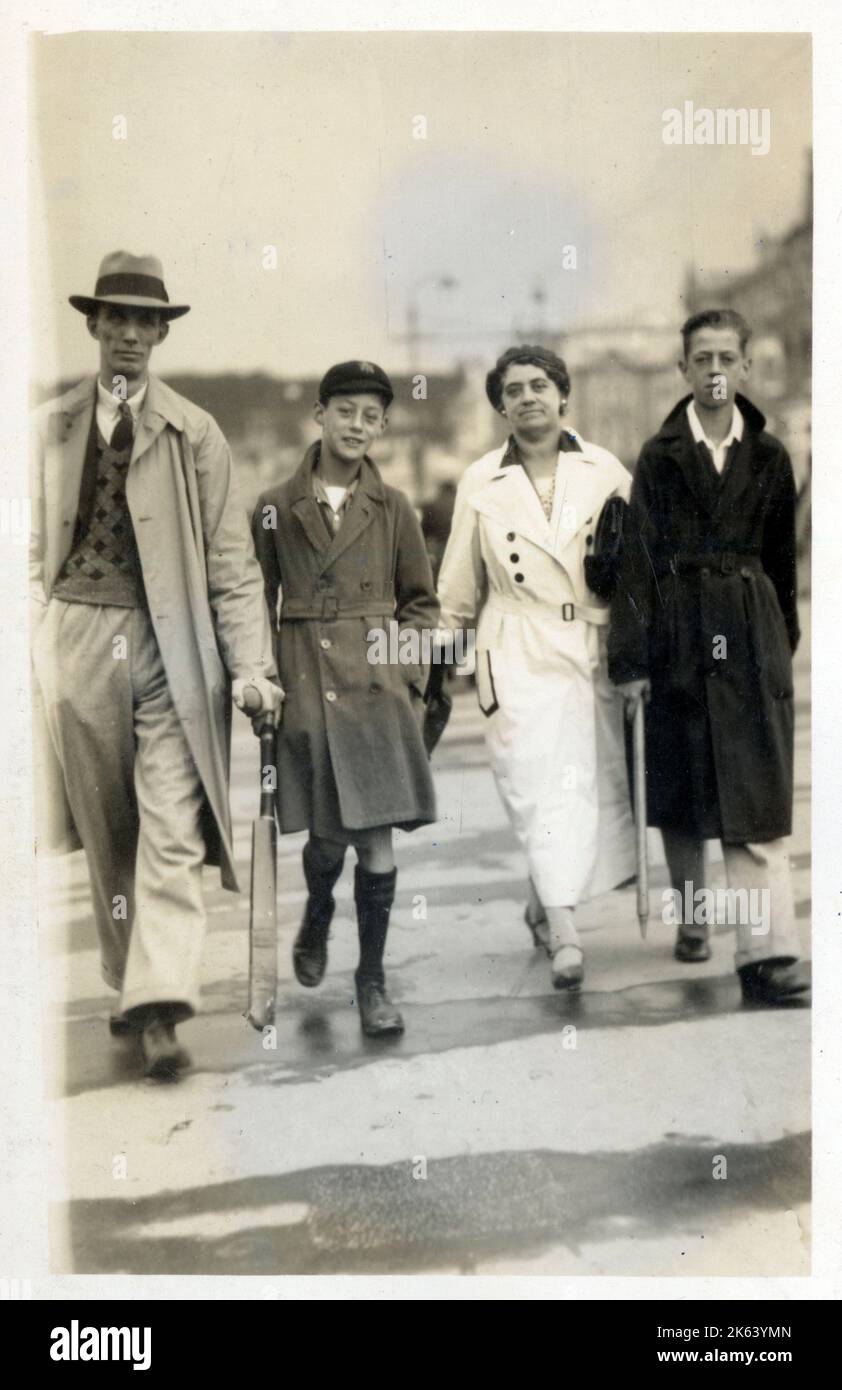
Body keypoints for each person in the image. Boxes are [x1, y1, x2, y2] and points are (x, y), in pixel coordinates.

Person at [30, 251, 282, 1079]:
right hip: (75, 636)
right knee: (110, 833)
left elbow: (231, 561)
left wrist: (253, 666)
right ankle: (127, 981)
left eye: (147, 321)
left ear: (162, 333)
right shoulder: (49, 427)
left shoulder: (194, 431)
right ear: (94, 326)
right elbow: (24, 550)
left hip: (174, 647)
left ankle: (163, 1005)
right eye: (118, 319)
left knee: (172, 827)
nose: (131, 334)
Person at [608, 309, 807, 1004]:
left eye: (728, 357)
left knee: (755, 795)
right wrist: (631, 662)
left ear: (746, 367)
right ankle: (694, 918)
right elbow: (637, 563)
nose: (716, 370)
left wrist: (781, 643)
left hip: (751, 633)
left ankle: (768, 953)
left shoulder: (772, 456)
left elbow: (783, 559)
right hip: (679, 634)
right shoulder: (659, 459)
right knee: (686, 789)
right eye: (703, 359)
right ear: (683, 370)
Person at [436, 345, 636, 990]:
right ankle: (566, 935)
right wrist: (435, 662)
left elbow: (638, 569)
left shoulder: (605, 470)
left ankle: (544, 904)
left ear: (563, 395)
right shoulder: (480, 481)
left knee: (577, 788)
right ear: (500, 405)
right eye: (514, 389)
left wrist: (641, 651)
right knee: (534, 782)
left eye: (541, 385)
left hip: (588, 645)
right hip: (514, 646)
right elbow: (458, 588)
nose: (529, 397)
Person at [251, 361, 438, 1037]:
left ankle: (372, 981)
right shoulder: (274, 505)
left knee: (378, 841)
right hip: (305, 682)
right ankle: (318, 909)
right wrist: (262, 678)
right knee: (328, 840)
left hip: (376, 691)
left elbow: (422, 605)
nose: (358, 426)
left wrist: (408, 679)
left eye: (371, 416)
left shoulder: (394, 509)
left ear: (383, 426)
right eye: (346, 411)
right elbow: (251, 602)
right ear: (320, 415)